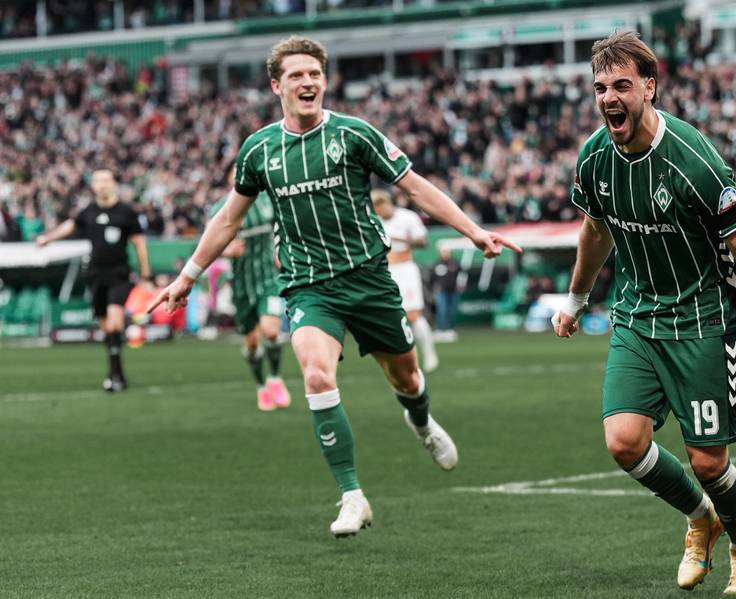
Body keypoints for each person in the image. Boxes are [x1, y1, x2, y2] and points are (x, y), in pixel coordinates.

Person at [149, 36, 521, 537]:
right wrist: (186, 277)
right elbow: (227, 221)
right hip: (307, 285)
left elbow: (414, 186)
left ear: (324, 81)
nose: (308, 83)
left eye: (315, 74)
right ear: (276, 85)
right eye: (297, 75)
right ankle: (352, 495)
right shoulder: (259, 149)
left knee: (408, 379)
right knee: (318, 377)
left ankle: (421, 422)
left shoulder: (354, 134)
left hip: (369, 280)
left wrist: (472, 230)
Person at [553, 32, 736, 595]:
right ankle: (702, 518)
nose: (608, 98)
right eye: (600, 88)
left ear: (650, 86)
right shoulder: (595, 157)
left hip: (703, 319)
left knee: (707, 460)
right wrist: (576, 299)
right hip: (637, 317)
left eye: (622, 85)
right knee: (623, 441)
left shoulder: (696, 161)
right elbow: (595, 230)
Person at [37, 169, 152, 392]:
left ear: (114, 184)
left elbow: (139, 243)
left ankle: (116, 376)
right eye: (98, 180)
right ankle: (115, 372)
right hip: (96, 276)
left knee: (116, 321)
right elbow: (70, 226)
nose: (102, 184)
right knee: (107, 327)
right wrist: (48, 238)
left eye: (106, 180)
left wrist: (146, 274)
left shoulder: (126, 212)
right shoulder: (88, 211)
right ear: (93, 185)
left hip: (119, 275)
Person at [211, 166, 291, 412]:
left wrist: (282, 253)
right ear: (229, 179)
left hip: (269, 278)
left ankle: (275, 378)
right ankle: (261, 386)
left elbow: (286, 227)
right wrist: (226, 250)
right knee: (253, 342)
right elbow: (208, 243)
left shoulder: (268, 200)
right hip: (242, 285)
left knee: (270, 330)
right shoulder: (221, 209)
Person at [371, 189, 439, 371]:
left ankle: (429, 353)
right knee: (387, 317)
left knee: (413, 314)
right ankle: (402, 359)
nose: (379, 209)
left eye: (380, 204)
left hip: (405, 268)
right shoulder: (372, 221)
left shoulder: (407, 217)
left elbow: (423, 242)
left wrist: (396, 238)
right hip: (384, 270)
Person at [432, 246, 462, 341]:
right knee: (442, 310)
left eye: (447, 251)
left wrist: (461, 285)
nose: (445, 253)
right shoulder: (437, 264)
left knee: (451, 311)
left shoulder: (455, 263)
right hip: (441, 291)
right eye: (443, 252)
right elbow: (432, 278)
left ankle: (450, 330)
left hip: (453, 291)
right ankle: (441, 330)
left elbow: (462, 275)